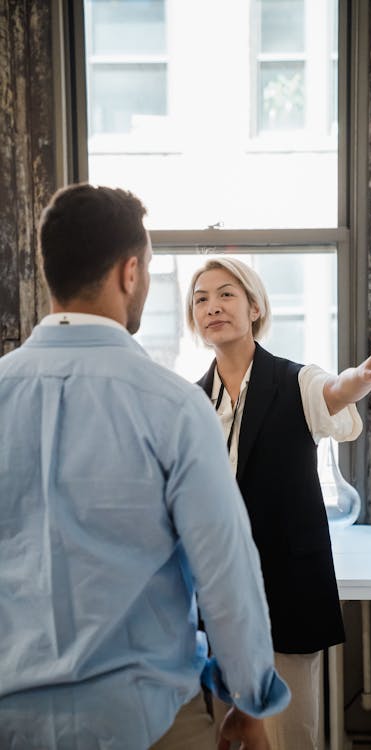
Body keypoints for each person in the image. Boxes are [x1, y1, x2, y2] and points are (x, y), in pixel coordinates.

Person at [0, 185, 290, 750]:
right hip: (147, 720)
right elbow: (225, 571)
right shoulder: (174, 407)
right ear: (130, 273)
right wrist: (248, 701)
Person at [186, 257, 371, 750]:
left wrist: (365, 375)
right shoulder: (192, 401)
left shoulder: (295, 380)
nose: (212, 306)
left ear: (254, 307)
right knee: (229, 731)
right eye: (201, 299)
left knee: (292, 730)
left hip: (288, 585)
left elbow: (335, 391)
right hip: (220, 594)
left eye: (226, 294)